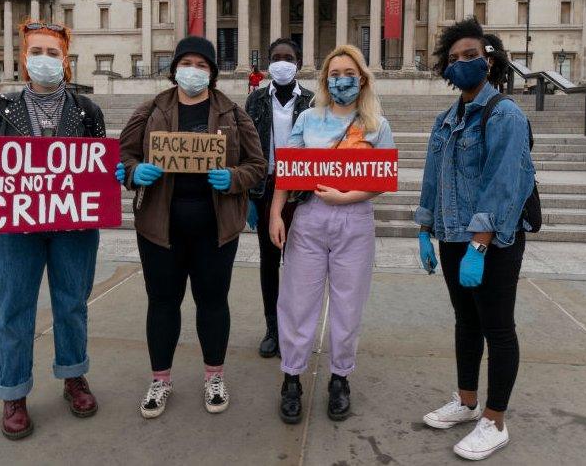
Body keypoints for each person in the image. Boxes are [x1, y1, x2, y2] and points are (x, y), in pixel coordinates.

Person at [0, 20, 124, 441]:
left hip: (73, 224)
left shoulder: (88, 111)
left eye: (53, 53)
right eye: (37, 52)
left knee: (72, 303)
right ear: (23, 57)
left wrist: (112, 173)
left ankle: (74, 376)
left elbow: (99, 166)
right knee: (13, 307)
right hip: (15, 227)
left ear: (65, 61)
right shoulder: (2, 108)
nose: (44, 60)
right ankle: (13, 392)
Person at [119, 36, 266, 419]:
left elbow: (257, 164)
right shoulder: (150, 109)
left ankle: (214, 376)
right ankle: (160, 379)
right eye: (188, 63)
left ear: (212, 72)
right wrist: (136, 172)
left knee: (213, 302)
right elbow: (124, 156)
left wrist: (233, 178)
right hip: (159, 226)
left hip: (215, 228)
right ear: (175, 69)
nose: (194, 71)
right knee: (163, 302)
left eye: (202, 65)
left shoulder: (233, 113)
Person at [416, 18, 535, 461]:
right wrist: (425, 229)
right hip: (450, 235)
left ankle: (494, 419)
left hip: (494, 241)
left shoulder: (505, 114)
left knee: (498, 328)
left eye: (471, 55)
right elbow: (432, 179)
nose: (462, 63)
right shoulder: (446, 119)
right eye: (453, 59)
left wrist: (479, 245)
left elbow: (504, 184)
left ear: (490, 60)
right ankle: (466, 402)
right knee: (465, 322)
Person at [268, 44, 394, 424]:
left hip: (354, 220)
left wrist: (346, 195)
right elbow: (287, 172)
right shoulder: (307, 119)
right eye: (334, 74)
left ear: (362, 79)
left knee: (348, 304)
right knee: (296, 301)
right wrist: (276, 212)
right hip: (308, 218)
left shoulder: (376, 124)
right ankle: (292, 376)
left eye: (349, 74)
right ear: (325, 80)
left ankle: (340, 377)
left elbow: (382, 181)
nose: (342, 80)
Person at [243, 38, 314, 359]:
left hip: (302, 191)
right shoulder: (255, 100)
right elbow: (245, 148)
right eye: (276, 57)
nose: (281, 62)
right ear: (268, 62)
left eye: (287, 57)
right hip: (266, 188)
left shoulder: (313, 102)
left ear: (298, 63)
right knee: (269, 261)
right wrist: (247, 195)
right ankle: (273, 327)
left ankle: (296, 327)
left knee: (300, 264)